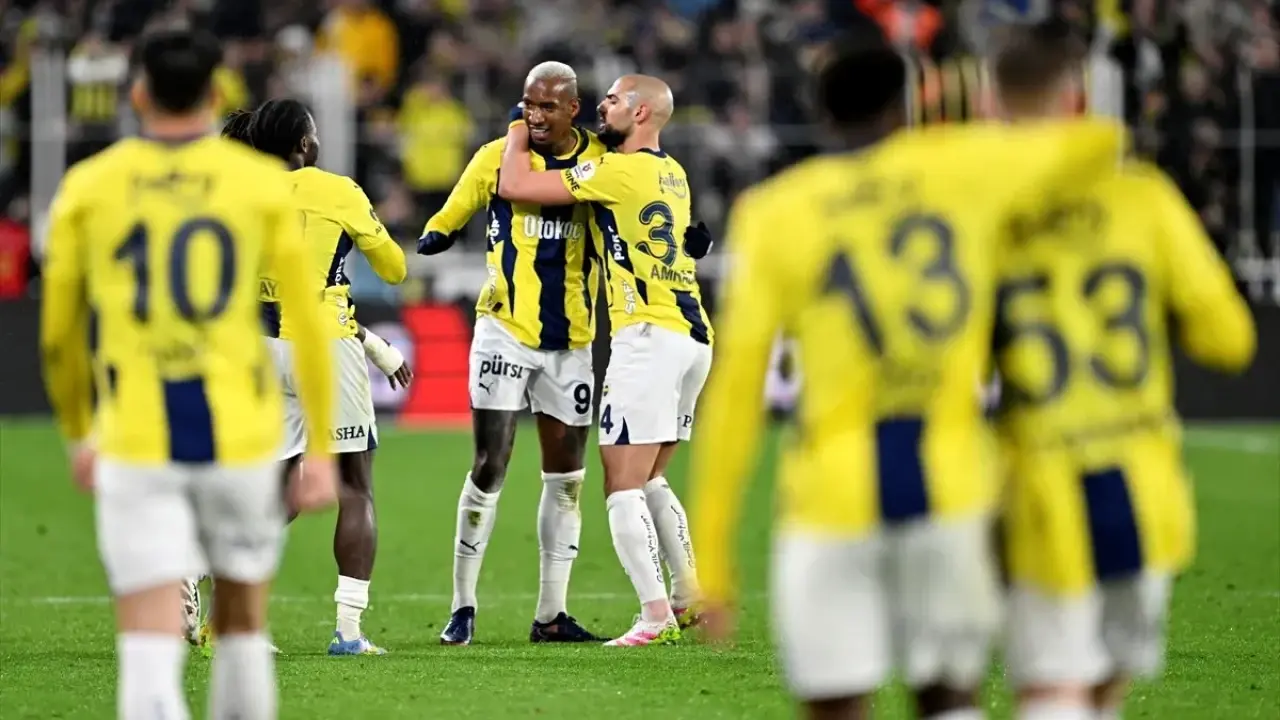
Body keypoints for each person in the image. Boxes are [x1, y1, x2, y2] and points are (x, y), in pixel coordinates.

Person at [685, 34, 1125, 720]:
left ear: (822, 114)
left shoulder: (776, 210)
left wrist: (713, 561)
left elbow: (737, 394)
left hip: (829, 496)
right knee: (948, 696)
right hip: (951, 485)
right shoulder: (963, 169)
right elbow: (1094, 144)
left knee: (835, 705)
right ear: (904, 107)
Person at [39, 29, 338, 719]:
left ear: (139, 94)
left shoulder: (91, 185)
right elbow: (309, 322)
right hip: (240, 433)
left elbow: (60, 336)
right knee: (241, 628)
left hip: (136, 433)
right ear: (213, 94)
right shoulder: (259, 185)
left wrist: (80, 432)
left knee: (148, 640)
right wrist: (320, 449)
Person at [989, 22, 1257, 720]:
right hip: (1140, 483)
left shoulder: (981, 203)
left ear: (993, 103)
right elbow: (1228, 338)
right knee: (1106, 684)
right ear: (1076, 98)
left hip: (1037, 479)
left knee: (1050, 686)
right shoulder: (1143, 195)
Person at [181, 105, 414, 654]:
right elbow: (395, 269)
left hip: (261, 349)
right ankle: (349, 631)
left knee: (273, 489)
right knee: (354, 486)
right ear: (304, 145)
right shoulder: (338, 191)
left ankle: (216, 598)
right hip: (324, 347)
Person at [496, 74, 715, 647]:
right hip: (694, 337)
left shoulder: (616, 171)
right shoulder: (674, 172)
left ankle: (655, 616)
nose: (602, 105)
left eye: (614, 100)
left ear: (640, 113)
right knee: (652, 477)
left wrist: (519, 129)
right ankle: (689, 591)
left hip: (648, 337)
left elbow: (515, 185)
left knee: (621, 484)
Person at [416, 61, 609, 645]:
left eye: (548, 106)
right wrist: (438, 232)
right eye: (529, 104)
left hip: (573, 340)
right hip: (503, 328)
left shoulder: (603, 160)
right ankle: (462, 605)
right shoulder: (497, 156)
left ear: (573, 109)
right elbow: (452, 212)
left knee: (567, 478)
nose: (536, 115)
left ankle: (551, 614)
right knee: (490, 464)